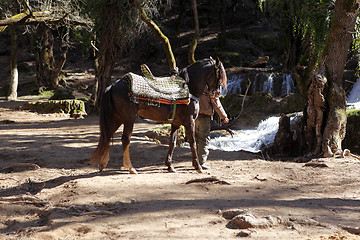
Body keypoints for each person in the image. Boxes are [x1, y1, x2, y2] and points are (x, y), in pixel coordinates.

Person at [195, 88, 229, 170]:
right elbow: (216, 104)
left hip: (194, 117)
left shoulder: (196, 87)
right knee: (204, 138)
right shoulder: (210, 90)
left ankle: (195, 160)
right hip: (205, 118)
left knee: (196, 138)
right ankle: (201, 162)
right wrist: (224, 117)